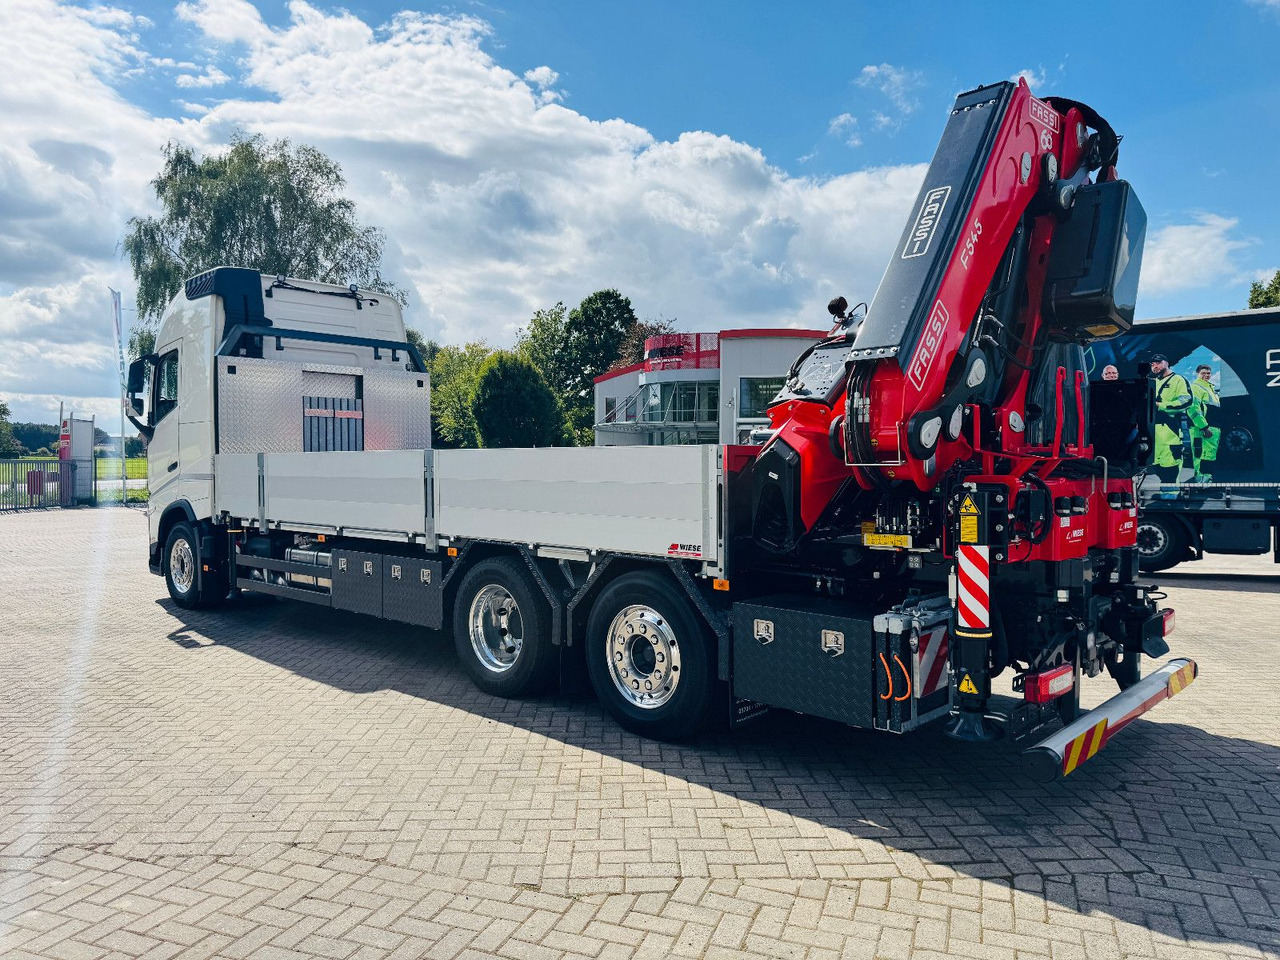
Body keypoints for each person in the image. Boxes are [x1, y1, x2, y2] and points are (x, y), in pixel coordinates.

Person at [1150, 354, 1194, 484]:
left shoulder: (1178, 380)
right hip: (1153, 431)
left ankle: (1171, 499)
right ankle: (1164, 500)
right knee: (1157, 469)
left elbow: (1186, 400)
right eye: (1152, 364)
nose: (1154, 366)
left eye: (1157, 363)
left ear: (1166, 363)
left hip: (1170, 431)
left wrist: (1161, 405)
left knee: (1170, 470)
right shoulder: (1153, 381)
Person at [1188, 363, 1221, 481]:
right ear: (1197, 374)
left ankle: (1206, 479)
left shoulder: (1210, 388)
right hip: (1203, 429)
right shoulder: (1196, 387)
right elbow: (1193, 409)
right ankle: (1202, 481)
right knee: (1202, 455)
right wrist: (1204, 427)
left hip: (1212, 427)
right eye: (1203, 373)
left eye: (1208, 373)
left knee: (1209, 454)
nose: (1206, 375)